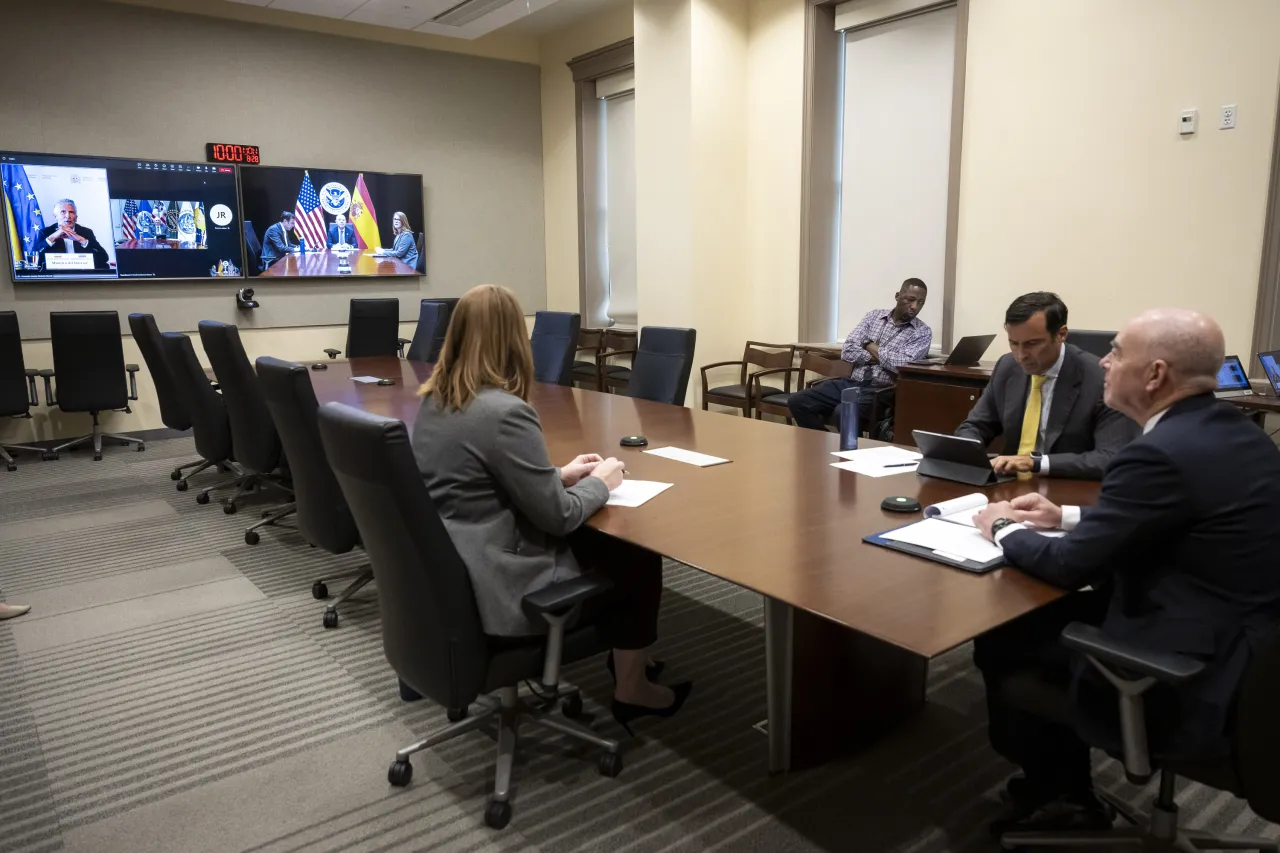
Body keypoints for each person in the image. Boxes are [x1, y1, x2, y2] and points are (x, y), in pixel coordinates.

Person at [971, 308, 1280, 834]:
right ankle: (1062, 784)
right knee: (1044, 619)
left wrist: (1002, 527)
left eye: (1116, 353)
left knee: (1004, 637)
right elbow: (1173, 518)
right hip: (1251, 642)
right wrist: (1064, 515)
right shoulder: (1239, 432)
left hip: (1196, 666)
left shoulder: (1157, 452)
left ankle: (1063, 795)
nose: (1106, 364)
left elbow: (1069, 567)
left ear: (1155, 375)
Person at [411, 283, 692, 730]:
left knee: (605, 542)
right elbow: (558, 518)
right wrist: (600, 483)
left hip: (454, 566)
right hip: (502, 584)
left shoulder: (436, 400)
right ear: (512, 341)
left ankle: (632, 661)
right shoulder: (504, 412)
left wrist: (556, 475)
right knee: (635, 553)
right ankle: (632, 687)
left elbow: (476, 481)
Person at [955, 292, 1136, 480]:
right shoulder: (1007, 367)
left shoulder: (1100, 380)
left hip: (1067, 489)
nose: (1021, 355)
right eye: (1013, 343)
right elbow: (976, 425)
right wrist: (966, 451)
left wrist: (1035, 463)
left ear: (1061, 334)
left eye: (1032, 344)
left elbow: (1110, 458)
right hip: (1009, 486)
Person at [787, 278, 931, 438]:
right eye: (910, 300)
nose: (914, 307)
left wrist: (868, 344)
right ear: (897, 296)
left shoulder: (922, 332)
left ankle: (854, 456)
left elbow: (902, 365)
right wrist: (884, 357)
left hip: (882, 390)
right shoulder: (873, 317)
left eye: (920, 302)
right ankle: (822, 444)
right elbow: (848, 351)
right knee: (798, 401)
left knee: (843, 411)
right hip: (852, 382)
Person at [35, 199, 110, 269]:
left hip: (81, 276)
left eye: (71, 212)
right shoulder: (46, 232)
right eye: (63, 212)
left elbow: (104, 257)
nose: (68, 216)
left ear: (76, 217)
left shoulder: (86, 232)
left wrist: (82, 240)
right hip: (56, 277)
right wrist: (52, 237)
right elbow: (34, 259)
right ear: (56, 217)